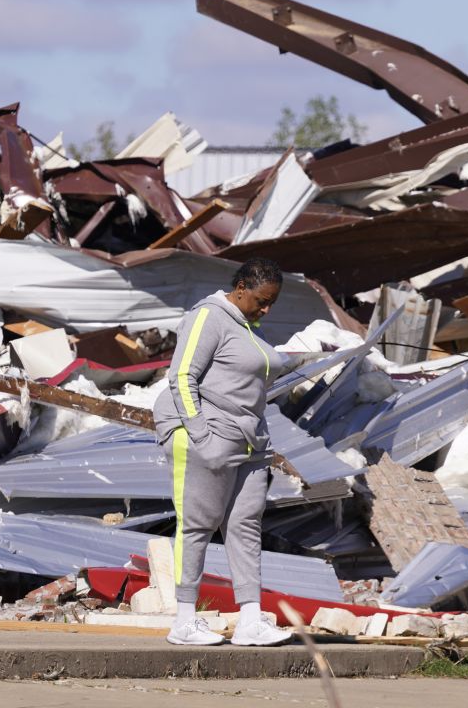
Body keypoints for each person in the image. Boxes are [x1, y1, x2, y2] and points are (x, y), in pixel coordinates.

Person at [152, 257, 293, 647]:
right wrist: (203, 436)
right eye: (262, 301)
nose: (266, 309)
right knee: (197, 525)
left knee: (245, 528)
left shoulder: (247, 327)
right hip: (208, 436)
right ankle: (183, 619)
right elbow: (182, 376)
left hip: (249, 442)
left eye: (272, 303)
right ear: (241, 289)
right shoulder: (209, 317)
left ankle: (250, 620)